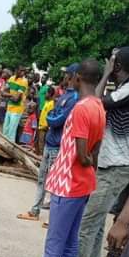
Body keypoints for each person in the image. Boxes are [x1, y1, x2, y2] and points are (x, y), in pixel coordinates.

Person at [11, 59, 106, 257]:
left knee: (54, 242)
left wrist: (85, 159)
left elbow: (83, 154)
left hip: (69, 183)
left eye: (70, 76)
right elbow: (95, 150)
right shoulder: (98, 105)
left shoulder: (81, 109)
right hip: (82, 184)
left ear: (77, 78)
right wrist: (88, 160)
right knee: (70, 241)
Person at [72, 46, 129, 257]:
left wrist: (104, 74)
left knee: (87, 223)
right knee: (98, 220)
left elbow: (94, 102)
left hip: (116, 165)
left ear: (119, 65)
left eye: (113, 60)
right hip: (115, 164)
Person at [17, 64, 79, 222]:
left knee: (55, 182)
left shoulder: (73, 98)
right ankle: (35, 211)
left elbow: (57, 119)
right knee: (42, 179)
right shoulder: (66, 95)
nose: (64, 77)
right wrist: (52, 117)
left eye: (66, 74)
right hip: (50, 143)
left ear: (72, 76)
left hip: (58, 145)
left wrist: (51, 117)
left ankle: (53, 218)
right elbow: (52, 116)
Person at [2, 66, 28, 142]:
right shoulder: (11, 78)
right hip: (9, 107)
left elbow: (17, 99)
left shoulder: (24, 81)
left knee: (11, 132)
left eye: (24, 71)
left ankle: (9, 149)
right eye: (21, 71)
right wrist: (11, 95)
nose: (23, 73)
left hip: (17, 109)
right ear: (16, 70)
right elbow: (3, 93)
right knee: (5, 130)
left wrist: (8, 95)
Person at [36, 86, 55, 155]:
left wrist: (46, 126)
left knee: (42, 144)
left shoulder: (51, 104)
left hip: (45, 127)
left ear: (49, 94)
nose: (45, 95)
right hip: (41, 126)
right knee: (40, 143)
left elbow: (50, 116)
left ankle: (41, 159)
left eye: (46, 93)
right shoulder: (47, 102)